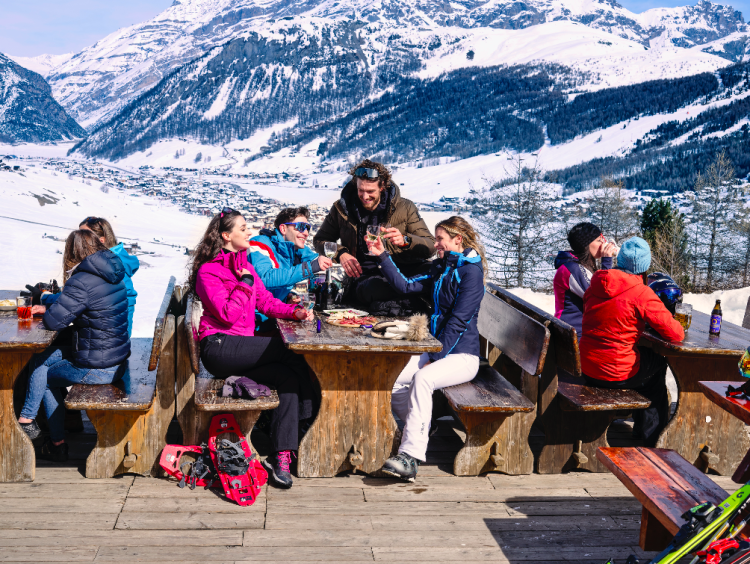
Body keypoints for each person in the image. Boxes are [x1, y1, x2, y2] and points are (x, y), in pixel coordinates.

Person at [188, 207, 314, 489]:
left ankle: (281, 455)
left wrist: (293, 312)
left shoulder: (244, 263)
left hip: (241, 349)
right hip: (219, 348)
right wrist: (244, 282)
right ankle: (307, 419)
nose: (249, 232)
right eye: (243, 228)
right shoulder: (209, 271)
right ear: (226, 236)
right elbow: (227, 314)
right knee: (290, 350)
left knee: (287, 377)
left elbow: (265, 301)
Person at [365, 216, 486, 481]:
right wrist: (382, 255)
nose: (436, 244)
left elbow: (459, 321)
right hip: (438, 349)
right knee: (392, 378)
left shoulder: (471, 273)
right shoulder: (442, 267)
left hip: (463, 356)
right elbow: (405, 285)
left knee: (423, 378)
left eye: (440, 239)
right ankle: (421, 427)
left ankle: (410, 457)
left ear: (458, 239)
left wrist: (435, 356)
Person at [18, 230, 131, 462]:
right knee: (40, 359)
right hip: (114, 356)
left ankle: (48, 437)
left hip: (99, 366)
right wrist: (51, 305)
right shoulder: (112, 272)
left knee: (44, 376)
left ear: (72, 252)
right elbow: (86, 307)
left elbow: (53, 322)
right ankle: (30, 422)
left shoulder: (81, 281)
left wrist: (48, 308)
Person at [579, 237, 684, 446]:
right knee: (657, 365)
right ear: (644, 267)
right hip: (616, 373)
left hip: (588, 367)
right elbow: (676, 334)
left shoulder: (595, 286)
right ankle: (650, 438)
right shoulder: (641, 293)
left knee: (644, 360)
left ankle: (640, 426)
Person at [313, 159, 435, 306]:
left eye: (370, 191)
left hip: (404, 270)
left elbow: (431, 247)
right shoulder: (342, 209)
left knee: (436, 271)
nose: (365, 197)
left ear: (382, 186)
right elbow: (320, 240)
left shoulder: (405, 208)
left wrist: (406, 241)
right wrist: (341, 253)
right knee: (373, 289)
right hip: (367, 275)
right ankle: (414, 300)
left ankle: (405, 300)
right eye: (360, 190)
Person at [31, 217, 139, 336]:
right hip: (113, 339)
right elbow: (81, 298)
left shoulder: (103, 270)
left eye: (85, 235)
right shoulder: (111, 265)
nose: (80, 239)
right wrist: (47, 300)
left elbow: (78, 297)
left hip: (107, 339)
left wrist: (45, 299)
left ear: (100, 241)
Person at [248, 206, 332, 309]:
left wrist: (286, 297)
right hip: (253, 315)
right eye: (301, 227)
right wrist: (310, 267)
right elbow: (264, 279)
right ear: (283, 229)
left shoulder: (295, 250)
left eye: (308, 228)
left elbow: (315, 260)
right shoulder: (258, 243)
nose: (306, 233)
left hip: (273, 312)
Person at [553, 222, 617, 336]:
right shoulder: (572, 269)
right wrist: (606, 262)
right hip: (574, 335)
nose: (604, 243)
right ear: (586, 245)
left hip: (574, 331)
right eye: (599, 240)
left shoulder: (577, 265)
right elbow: (601, 298)